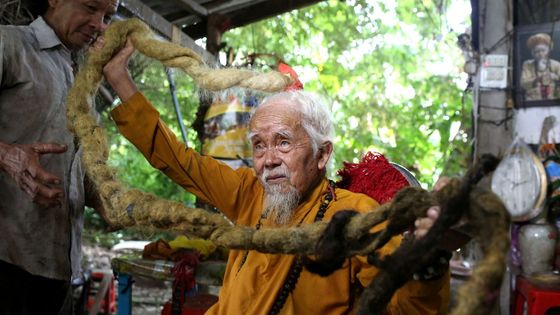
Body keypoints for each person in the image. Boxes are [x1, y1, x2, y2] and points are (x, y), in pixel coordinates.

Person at [101, 38, 450, 314]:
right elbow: (179, 161)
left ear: (322, 154)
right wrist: (118, 76)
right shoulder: (250, 193)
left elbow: (406, 307)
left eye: (283, 142)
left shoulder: (356, 216)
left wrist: (427, 264)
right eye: (258, 145)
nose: (268, 160)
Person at [0, 0, 119, 313]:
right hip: (6, 259)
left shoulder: (79, 73)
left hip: (59, 266)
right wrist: (7, 155)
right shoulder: (10, 43)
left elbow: (75, 164)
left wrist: (105, 199)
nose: (100, 24)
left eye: (107, 15)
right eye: (91, 7)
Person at [520, 33, 560, 101]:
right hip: (533, 101)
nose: (541, 54)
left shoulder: (556, 64)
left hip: (554, 101)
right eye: (537, 51)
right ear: (533, 53)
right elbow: (523, 83)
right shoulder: (528, 65)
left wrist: (555, 76)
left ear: (548, 51)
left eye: (543, 50)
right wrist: (537, 80)